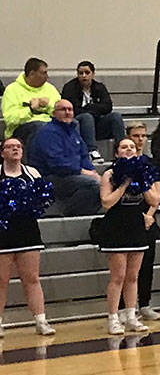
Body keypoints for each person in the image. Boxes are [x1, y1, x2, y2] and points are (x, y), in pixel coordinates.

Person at [99, 139, 160, 334]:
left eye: (132, 147)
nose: (129, 150)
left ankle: (131, 316)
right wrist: (124, 184)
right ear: (117, 153)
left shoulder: (143, 173)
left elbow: (153, 200)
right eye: (124, 147)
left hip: (136, 226)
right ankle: (113, 318)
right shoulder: (109, 174)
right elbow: (107, 202)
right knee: (118, 276)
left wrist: (141, 182)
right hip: (116, 227)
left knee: (133, 276)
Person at [0, 137, 56, 335]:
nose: (15, 149)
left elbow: (43, 200)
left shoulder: (32, 173)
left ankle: (41, 320)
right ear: (2, 152)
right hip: (3, 233)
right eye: (10, 147)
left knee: (31, 278)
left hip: (28, 231)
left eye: (18, 147)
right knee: (1, 280)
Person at [26, 101, 102, 216]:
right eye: (63, 109)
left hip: (71, 175)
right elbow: (56, 164)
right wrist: (84, 172)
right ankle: (69, 214)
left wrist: (93, 172)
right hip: (51, 177)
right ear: (53, 113)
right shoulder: (47, 132)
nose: (67, 112)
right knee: (93, 185)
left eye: (70, 110)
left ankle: (84, 215)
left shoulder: (73, 133)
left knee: (105, 183)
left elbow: (84, 156)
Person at [125, 122, 160, 321]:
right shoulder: (120, 165)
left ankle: (145, 304)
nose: (139, 140)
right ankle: (125, 308)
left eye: (142, 136)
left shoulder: (150, 163)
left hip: (148, 216)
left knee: (147, 263)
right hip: (127, 215)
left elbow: (157, 193)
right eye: (135, 136)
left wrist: (149, 214)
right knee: (126, 267)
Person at [60, 61, 125, 161]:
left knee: (115, 116)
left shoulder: (99, 87)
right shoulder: (70, 88)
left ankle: (121, 149)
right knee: (87, 116)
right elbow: (73, 109)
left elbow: (108, 106)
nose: (84, 76)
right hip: (79, 124)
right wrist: (94, 109)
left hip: (97, 123)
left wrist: (90, 107)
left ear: (93, 74)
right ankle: (92, 151)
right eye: (80, 73)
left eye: (87, 72)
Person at [2, 57, 60, 141]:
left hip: (49, 124)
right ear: (32, 74)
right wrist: (31, 109)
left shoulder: (50, 88)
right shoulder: (12, 90)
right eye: (44, 73)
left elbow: (60, 111)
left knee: (73, 123)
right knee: (41, 127)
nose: (47, 77)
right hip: (22, 128)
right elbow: (10, 120)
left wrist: (48, 105)